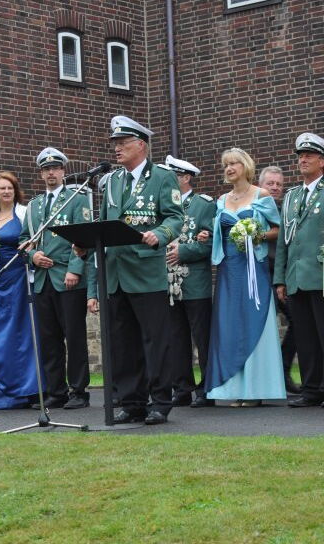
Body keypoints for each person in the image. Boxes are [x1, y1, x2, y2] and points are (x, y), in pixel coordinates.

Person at [97, 115, 184, 425]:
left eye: (123, 143)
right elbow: (104, 222)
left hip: (146, 273)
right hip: (116, 274)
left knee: (155, 341)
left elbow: (175, 218)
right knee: (123, 343)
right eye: (115, 143)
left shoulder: (162, 177)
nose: (117, 148)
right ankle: (132, 402)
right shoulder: (112, 181)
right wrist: (86, 244)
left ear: (141, 145)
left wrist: (159, 235)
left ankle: (160, 402)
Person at [201, 147, 285, 406]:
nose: (229, 168)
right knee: (229, 325)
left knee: (252, 321)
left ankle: (256, 389)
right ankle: (233, 389)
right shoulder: (221, 200)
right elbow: (218, 232)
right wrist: (206, 235)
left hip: (253, 269)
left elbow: (278, 229)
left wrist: (256, 235)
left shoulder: (262, 195)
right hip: (228, 270)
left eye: (234, 163)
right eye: (226, 164)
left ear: (245, 166)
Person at [19, 147, 96, 410]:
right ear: (41, 174)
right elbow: (24, 239)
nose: (51, 173)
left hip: (67, 277)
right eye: (46, 169)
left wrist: (75, 268)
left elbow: (83, 236)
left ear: (63, 171)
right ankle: (56, 390)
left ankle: (79, 391)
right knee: (49, 339)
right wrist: (33, 256)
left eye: (55, 168)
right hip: (43, 279)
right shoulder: (34, 205)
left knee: (74, 337)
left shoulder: (76, 198)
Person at [0, 171, 44, 409]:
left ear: (15, 191)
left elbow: (33, 242)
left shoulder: (25, 213)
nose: (6, 192)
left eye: (10, 188)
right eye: (2, 188)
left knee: (22, 331)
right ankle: (0, 389)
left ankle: (28, 390)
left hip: (19, 278)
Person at [274, 132, 324, 408]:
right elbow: (284, 241)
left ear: (322, 161)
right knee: (305, 338)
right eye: (301, 156)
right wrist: (280, 279)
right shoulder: (292, 196)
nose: (303, 160)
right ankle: (311, 389)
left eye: (309, 156)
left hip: (320, 275)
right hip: (296, 278)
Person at [165, 155, 216, 408]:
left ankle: (207, 389)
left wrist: (183, 252)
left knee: (203, 338)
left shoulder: (203, 204)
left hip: (195, 282)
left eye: (172, 176)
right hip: (169, 283)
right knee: (176, 338)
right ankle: (182, 388)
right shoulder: (165, 204)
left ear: (185, 178)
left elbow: (212, 243)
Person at [259, 166, 299, 394]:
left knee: (298, 322)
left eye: (279, 184)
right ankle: (265, 380)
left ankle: (282, 371)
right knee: (263, 331)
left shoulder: (287, 210)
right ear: (260, 185)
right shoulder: (254, 208)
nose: (275, 188)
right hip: (258, 278)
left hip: (279, 278)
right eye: (270, 183)